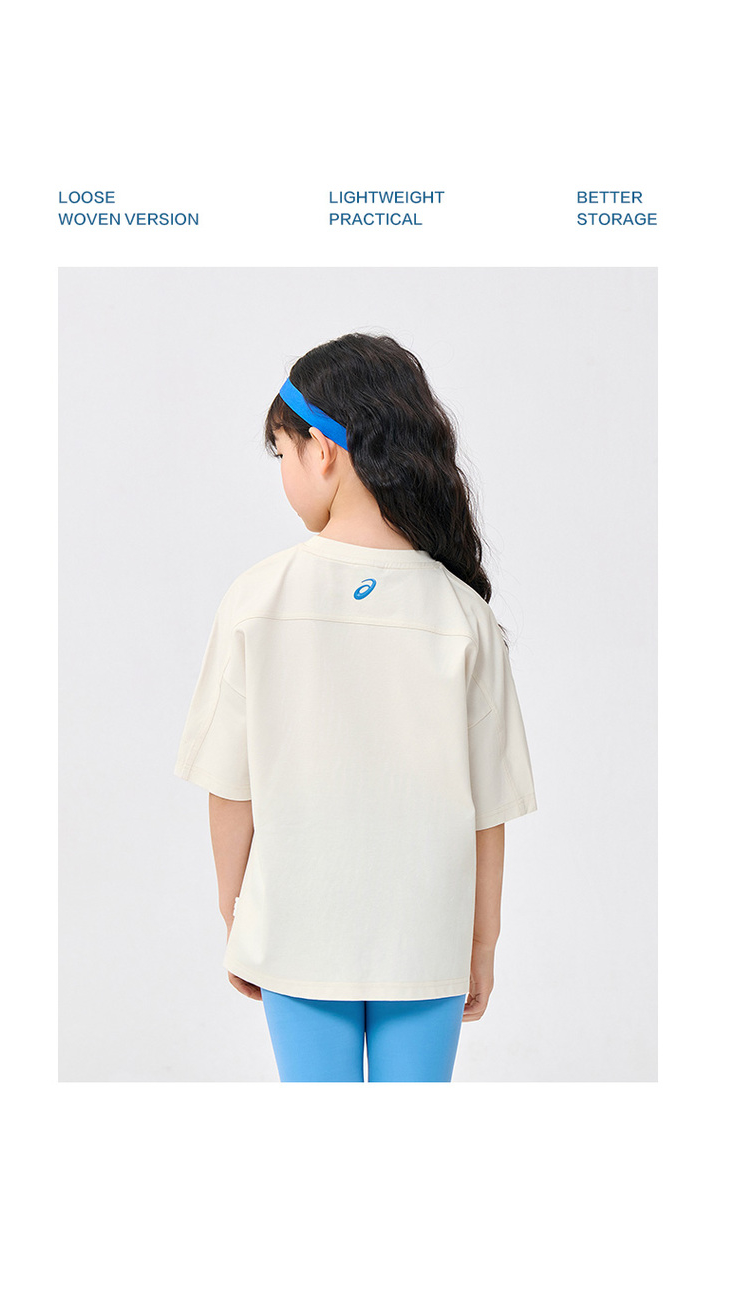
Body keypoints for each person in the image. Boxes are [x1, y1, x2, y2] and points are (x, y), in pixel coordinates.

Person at [174, 332, 537, 1082]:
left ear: (324, 452)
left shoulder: (256, 598)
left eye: (282, 453)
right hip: (427, 943)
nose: (283, 472)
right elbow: (488, 810)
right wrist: (481, 944)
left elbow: (230, 788)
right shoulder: (463, 613)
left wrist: (239, 917)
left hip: (296, 931)